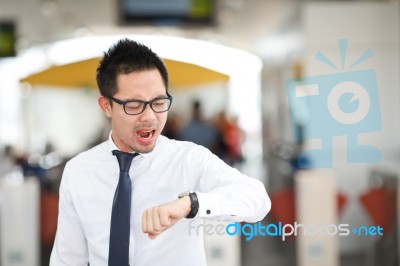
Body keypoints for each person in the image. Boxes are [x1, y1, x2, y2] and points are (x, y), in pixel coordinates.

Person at [50, 38, 271, 266]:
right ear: (107, 106)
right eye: (134, 105)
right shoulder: (78, 172)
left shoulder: (188, 159)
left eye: (158, 102)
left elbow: (257, 198)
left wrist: (190, 203)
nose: (149, 116)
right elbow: (68, 259)